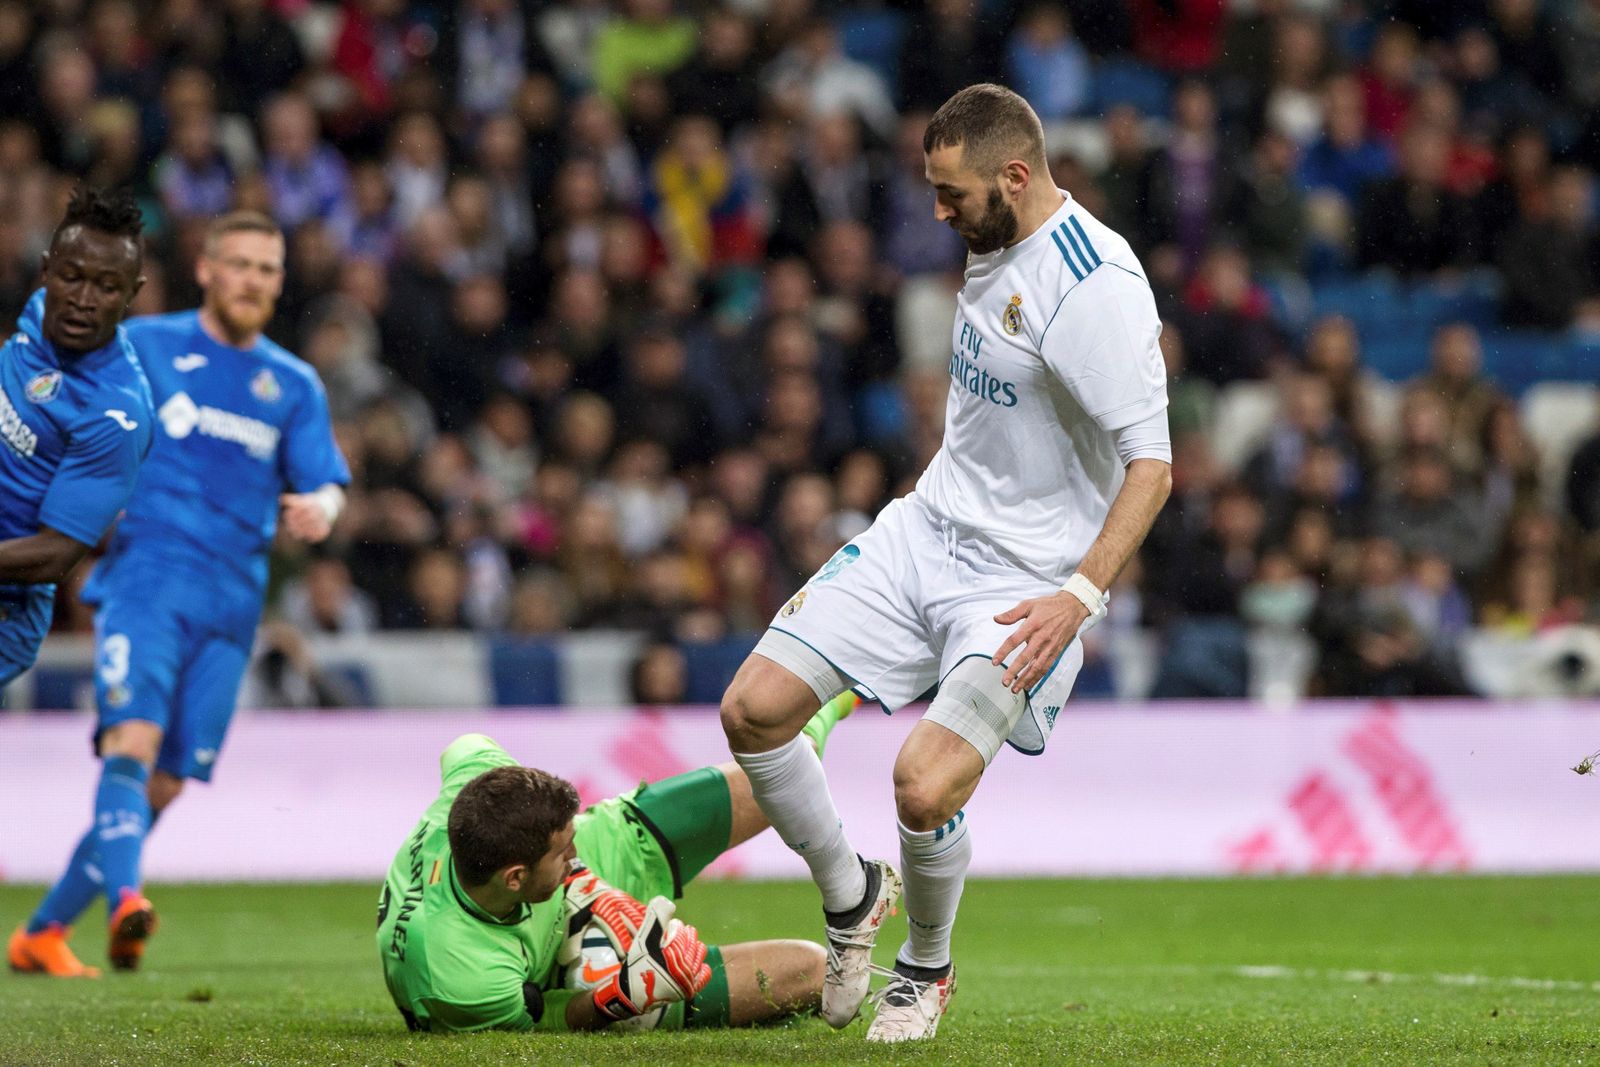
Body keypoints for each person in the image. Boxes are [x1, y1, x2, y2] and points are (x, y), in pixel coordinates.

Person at [719, 84, 1173, 1042]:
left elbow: (1154, 467)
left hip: (1025, 584)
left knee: (924, 784)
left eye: (952, 193)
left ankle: (926, 966)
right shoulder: (992, 237)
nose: (938, 211)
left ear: (1016, 174)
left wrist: (1080, 597)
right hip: (925, 530)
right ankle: (852, 902)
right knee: (752, 711)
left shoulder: (1094, 288)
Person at [10, 211, 350, 978]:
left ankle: (40, 933)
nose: (253, 280)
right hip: (146, 582)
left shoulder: (292, 383)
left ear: (280, 281)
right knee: (131, 740)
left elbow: (324, 477)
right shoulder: (144, 346)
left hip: (233, 608)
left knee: (163, 783)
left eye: (268, 268)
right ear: (206, 268)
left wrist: (320, 507)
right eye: (240, 264)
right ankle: (130, 897)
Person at [379, 693, 857, 1034]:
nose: (574, 854)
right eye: (563, 851)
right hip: (575, 972)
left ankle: (846, 688)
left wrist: (581, 873)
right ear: (515, 877)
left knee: (788, 771)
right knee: (814, 971)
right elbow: (553, 1019)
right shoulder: (461, 978)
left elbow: (464, 743)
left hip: (607, 843)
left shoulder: (475, 790)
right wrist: (624, 994)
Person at [0, 187, 152, 694]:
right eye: (72, 277)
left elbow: (57, 553)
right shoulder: (39, 313)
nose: (84, 301)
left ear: (134, 292)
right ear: (46, 271)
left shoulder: (117, 412)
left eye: (108, 287)